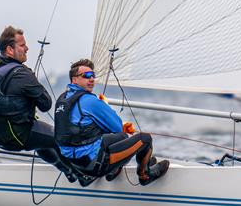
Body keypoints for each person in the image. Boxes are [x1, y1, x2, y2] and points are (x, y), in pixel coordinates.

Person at [0, 25, 80, 180]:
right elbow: (46, 105)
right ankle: (83, 174)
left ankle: (67, 172)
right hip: (20, 136)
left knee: (41, 141)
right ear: (10, 50)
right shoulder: (22, 74)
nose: (27, 48)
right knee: (61, 138)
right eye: (22, 45)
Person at [54, 59, 169, 187]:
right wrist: (104, 105)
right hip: (94, 166)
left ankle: (112, 172)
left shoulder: (63, 99)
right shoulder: (89, 101)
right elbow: (117, 126)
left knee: (122, 137)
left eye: (93, 75)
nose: (91, 79)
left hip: (74, 163)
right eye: (86, 76)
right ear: (74, 80)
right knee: (145, 139)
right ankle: (145, 175)